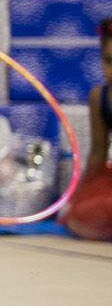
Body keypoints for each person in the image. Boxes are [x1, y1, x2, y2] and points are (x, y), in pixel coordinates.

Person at [63, 21, 112, 240]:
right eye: (110, 61)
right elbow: (97, 153)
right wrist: (78, 197)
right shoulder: (99, 97)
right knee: (84, 215)